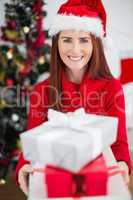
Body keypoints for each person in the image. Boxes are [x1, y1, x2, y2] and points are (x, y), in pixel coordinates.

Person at [16, 0, 132, 195]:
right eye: (67, 39)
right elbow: (32, 145)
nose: (75, 50)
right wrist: (24, 168)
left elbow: (119, 143)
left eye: (84, 40)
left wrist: (122, 164)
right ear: (56, 42)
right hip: (55, 181)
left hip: (98, 181)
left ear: (95, 42)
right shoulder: (42, 91)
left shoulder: (112, 88)